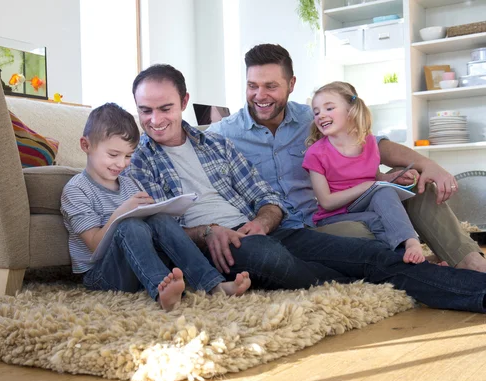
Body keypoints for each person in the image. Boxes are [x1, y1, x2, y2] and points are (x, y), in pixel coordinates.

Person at [125, 63, 486, 313]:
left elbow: (266, 196)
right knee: (272, 258)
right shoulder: (137, 161)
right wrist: (206, 232)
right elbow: (160, 231)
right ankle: (361, 278)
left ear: (184, 102)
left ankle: (476, 291)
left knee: (376, 256)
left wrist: (265, 221)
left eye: (165, 108)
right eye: (145, 111)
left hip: (277, 229)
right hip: (231, 246)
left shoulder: (217, 145)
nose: (155, 120)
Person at [207, 43, 486, 272]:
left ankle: (471, 263)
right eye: (252, 86)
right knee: (372, 232)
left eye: (270, 86)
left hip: (333, 212)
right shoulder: (223, 134)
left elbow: (372, 144)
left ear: (291, 84)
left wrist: (429, 165)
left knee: (416, 189)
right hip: (301, 231)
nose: (260, 95)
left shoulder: (314, 118)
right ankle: (417, 257)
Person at [60, 102, 251, 312]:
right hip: (100, 275)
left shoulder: (129, 184)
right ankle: (161, 290)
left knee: (160, 219)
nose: (121, 164)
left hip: (136, 264)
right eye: (113, 155)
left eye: (128, 156)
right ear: (86, 145)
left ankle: (214, 285)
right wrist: (122, 212)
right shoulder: (76, 190)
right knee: (129, 226)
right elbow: (95, 246)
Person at [302, 81, 424, 264]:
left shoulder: (369, 142)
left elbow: (375, 178)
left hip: (365, 202)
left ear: (350, 111)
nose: (321, 115)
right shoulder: (316, 153)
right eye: (316, 111)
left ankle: (412, 243)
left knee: (385, 191)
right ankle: (408, 261)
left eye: (329, 108)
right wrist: (366, 186)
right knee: (377, 219)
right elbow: (326, 202)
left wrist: (391, 178)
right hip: (334, 216)